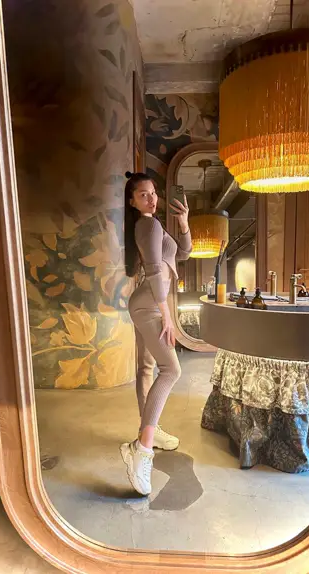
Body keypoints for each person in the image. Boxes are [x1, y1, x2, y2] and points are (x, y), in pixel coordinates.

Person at [120, 171, 192, 496]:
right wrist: (167, 316)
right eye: (143, 195)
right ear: (132, 201)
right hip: (150, 307)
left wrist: (184, 223)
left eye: (153, 193)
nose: (151, 199)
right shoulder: (147, 226)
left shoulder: (155, 225)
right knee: (171, 369)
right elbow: (152, 270)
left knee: (148, 368)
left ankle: (149, 430)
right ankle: (141, 448)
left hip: (149, 304)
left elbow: (184, 254)